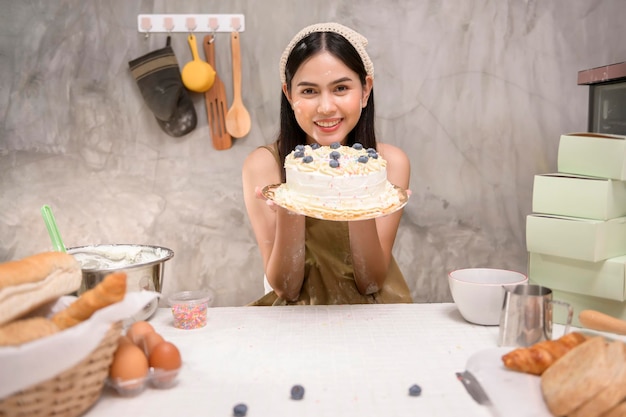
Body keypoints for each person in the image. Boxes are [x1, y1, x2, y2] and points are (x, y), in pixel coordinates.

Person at [242, 22, 412, 305]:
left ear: (365, 89)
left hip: (374, 315)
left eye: (341, 88)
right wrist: (290, 205)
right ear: (289, 94)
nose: (326, 107)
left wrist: (362, 187)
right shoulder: (264, 166)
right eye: (309, 91)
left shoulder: (389, 164)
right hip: (297, 318)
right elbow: (288, 288)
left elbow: (370, 280)